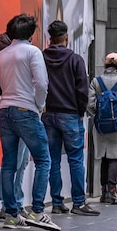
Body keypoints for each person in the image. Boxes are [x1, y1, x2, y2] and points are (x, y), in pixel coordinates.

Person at [0, 14, 60, 231]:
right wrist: (38, 104)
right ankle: (37, 210)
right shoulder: (33, 52)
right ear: (31, 33)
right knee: (43, 159)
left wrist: (3, 104)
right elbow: (42, 83)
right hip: (27, 110)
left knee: (9, 164)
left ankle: (11, 214)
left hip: (5, 112)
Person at [41, 20, 98, 216]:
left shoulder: (41, 58)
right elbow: (82, 90)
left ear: (50, 38)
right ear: (66, 38)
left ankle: (56, 202)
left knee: (52, 160)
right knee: (75, 159)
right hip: (71, 115)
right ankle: (79, 202)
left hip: (48, 114)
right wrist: (80, 111)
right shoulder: (75, 60)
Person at [0, 33, 30, 220]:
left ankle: (13, 203)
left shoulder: (1, 62)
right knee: (17, 163)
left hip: (8, 116)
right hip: (17, 116)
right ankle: (11, 204)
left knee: (17, 162)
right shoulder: (9, 63)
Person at [88, 52, 117, 204]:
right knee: (114, 157)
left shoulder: (96, 81)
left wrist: (100, 114)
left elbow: (90, 105)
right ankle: (112, 192)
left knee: (103, 157)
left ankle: (103, 191)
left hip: (101, 126)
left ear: (105, 64)